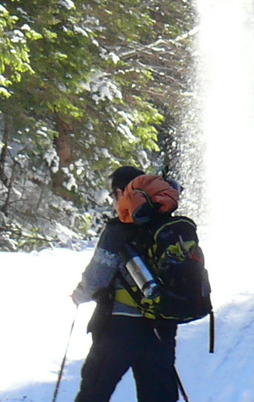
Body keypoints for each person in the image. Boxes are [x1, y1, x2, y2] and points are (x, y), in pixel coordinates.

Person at [70, 166, 182, 402]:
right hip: (160, 328)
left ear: (121, 192)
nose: (113, 201)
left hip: (119, 329)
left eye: (113, 195)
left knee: (94, 392)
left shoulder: (117, 229)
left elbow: (97, 276)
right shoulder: (167, 226)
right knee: (159, 396)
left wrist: (80, 294)